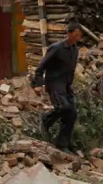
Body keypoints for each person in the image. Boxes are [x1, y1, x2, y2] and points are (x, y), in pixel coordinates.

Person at [31, 22, 82, 153]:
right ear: (69, 34)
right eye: (75, 35)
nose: (77, 38)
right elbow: (41, 66)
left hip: (66, 86)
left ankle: (63, 143)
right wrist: (38, 83)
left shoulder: (75, 50)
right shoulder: (56, 48)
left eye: (79, 36)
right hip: (54, 84)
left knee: (72, 113)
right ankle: (45, 119)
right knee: (63, 107)